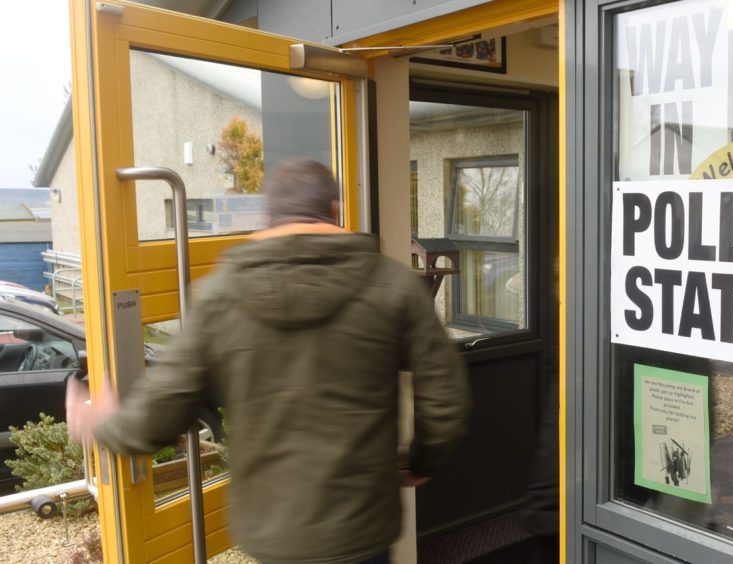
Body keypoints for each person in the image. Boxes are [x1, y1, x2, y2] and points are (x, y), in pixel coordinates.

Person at [66, 158, 471, 564]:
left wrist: (100, 423)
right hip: (361, 528)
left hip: (274, 534)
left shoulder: (218, 296)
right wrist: (420, 461)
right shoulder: (393, 285)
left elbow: (160, 414)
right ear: (334, 211)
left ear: (269, 217)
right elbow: (446, 398)